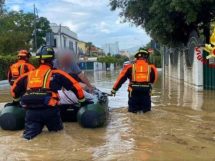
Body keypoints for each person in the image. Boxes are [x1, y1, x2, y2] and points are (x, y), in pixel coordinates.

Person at [11, 46, 86, 140]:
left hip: (31, 112)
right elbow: (77, 88)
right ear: (52, 60)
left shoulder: (27, 75)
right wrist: (82, 101)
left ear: (38, 60)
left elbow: (14, 90)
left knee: (28, 138)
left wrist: (15, 102)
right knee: (57, 136)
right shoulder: (57, 74)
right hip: (50, 111)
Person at [111, 49, 158, 113]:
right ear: (146, 57)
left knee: (132, 113)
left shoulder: (129, 67)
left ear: (136, 58)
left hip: (133, 91)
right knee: (147, 112)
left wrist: (114, 90)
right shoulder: (152, 67)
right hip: (146, 91)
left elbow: (121, 79)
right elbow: (154, 80)